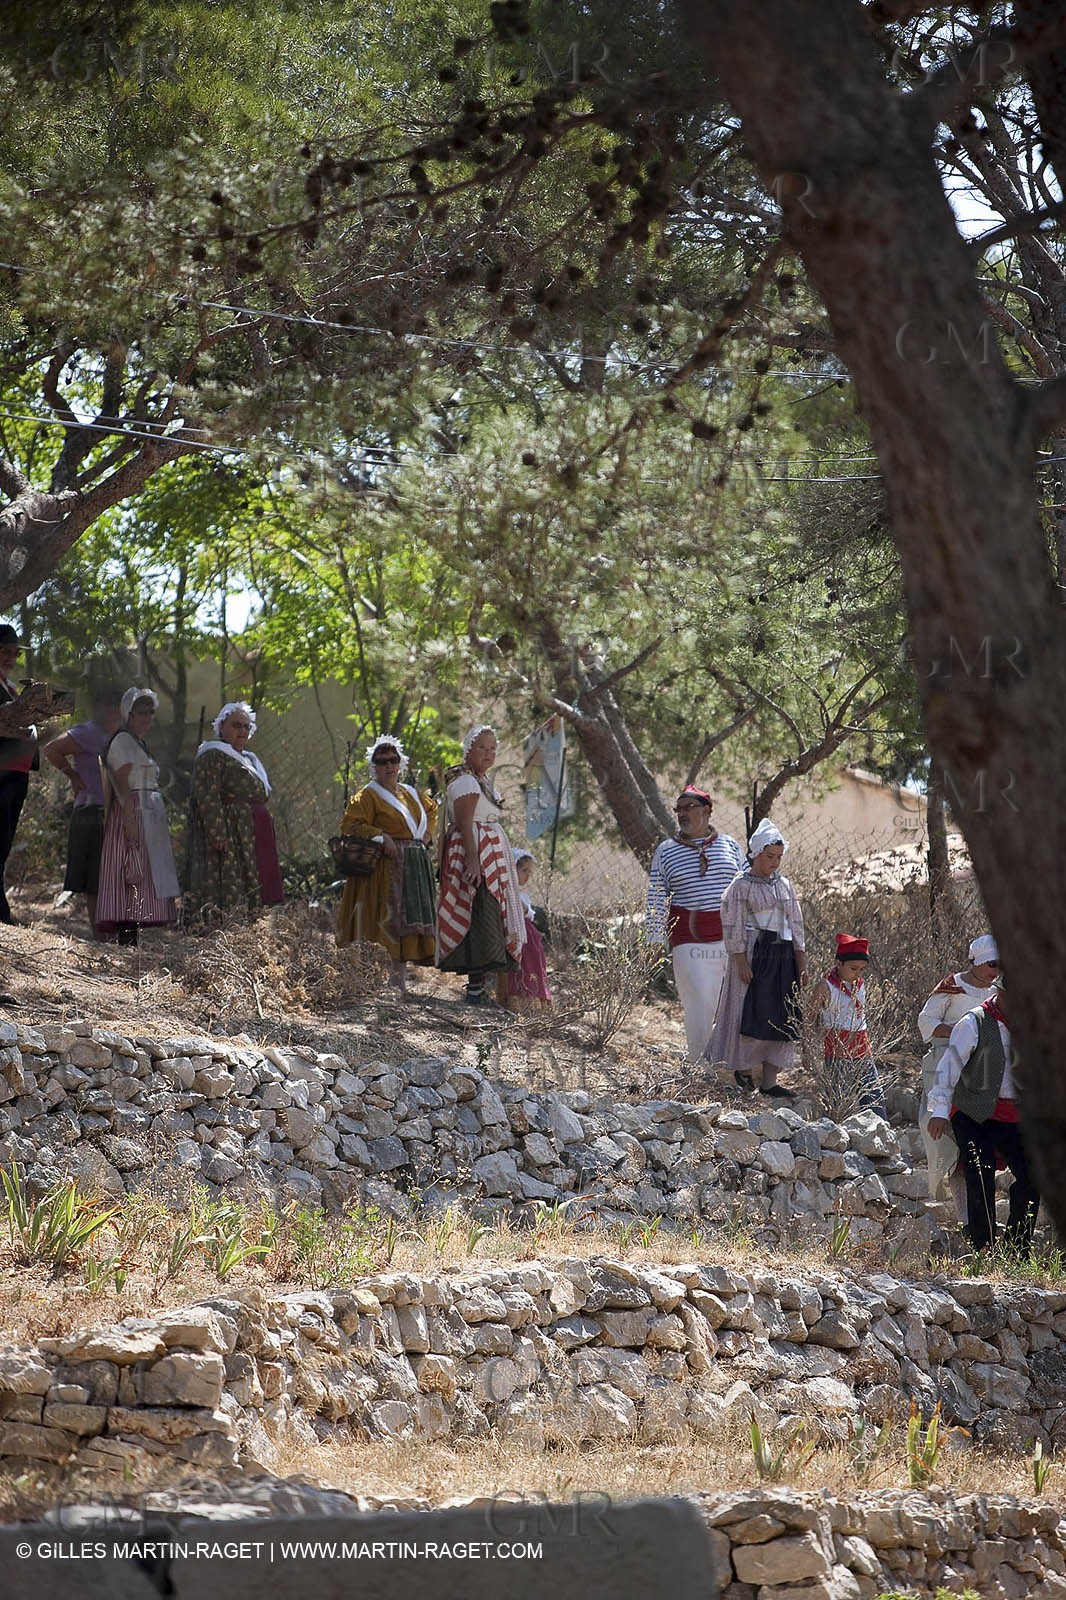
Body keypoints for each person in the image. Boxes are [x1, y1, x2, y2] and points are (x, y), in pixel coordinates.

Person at [927, 980, 1039, 1254]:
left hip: (1014, 1114)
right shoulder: (973, 1023)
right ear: (1000, 993)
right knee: (980, 1173)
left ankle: (1016, 1250)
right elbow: (948, 1070)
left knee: (1033, 1177)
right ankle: (983, 1248)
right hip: (974, 1112)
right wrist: (939, 1111)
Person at [705, 818, 806, 1097]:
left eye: (779, 857)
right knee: (747, 1009)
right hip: (752, 953)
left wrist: (800, 959)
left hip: (782, 956)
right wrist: (740, 960)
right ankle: (743, 1069)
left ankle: (770, 1081)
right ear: (756, 854)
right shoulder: (741, 886)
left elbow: (795, 921)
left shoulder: (784, 884)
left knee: (780, 1013)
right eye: (769, 856)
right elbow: (733, 924)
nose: (775, 862)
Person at [646, 785, 744, 1060]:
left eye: (689, 807)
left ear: (707, 811)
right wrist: (654, 938)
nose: (682, 814)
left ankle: (734, 1064)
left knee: (735, 1002)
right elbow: (656, 896)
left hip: (731, 937)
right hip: (689, 938)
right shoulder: (666, 851)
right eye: (678, 809)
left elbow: (746, 886)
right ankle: (701, 1066)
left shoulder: (730, 845)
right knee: (700, 1002)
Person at [335, 735, 438, 993]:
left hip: (412, 866)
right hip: (384, 868)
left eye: (393, 760)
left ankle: (398, 981)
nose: (389, 765)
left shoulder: (410, 793)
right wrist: (381, 836)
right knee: (386, 920)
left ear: (400, 763)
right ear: (374, 766)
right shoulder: (367, 796)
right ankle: (378, 981)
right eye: (382, 761)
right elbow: (351, 825)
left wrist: (427, 834)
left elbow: (432, 810)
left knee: (404, 923)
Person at [437, 724, 524, 1004]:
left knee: (487, 913)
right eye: (482, 748)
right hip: (476, 854)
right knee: (478, 911)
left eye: (492, 749)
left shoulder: (482, 780)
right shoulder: (466, 782)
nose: (488, 754)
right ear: (468, 750)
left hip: (490, 857)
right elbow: (465, 824)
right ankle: (475, 990)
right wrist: (473, 861)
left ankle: (480, 987)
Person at [916, 934, 1000, 1222]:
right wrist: (961, 1034)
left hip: (986, 1073)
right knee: (952, 1145)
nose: (995, 971)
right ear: (976, 962)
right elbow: (926, 1021)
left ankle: (982, 1217)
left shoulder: (999, 991)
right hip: (947, 1066)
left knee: (983, 1145)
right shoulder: (952, 986)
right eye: (991, 964)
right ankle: (967, 1219)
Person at [184, 701, 283, 923]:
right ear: (221, 727)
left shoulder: (249, 758)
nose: (243, 731)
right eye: (236, 725)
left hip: (252, 829)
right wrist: (217, 833)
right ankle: (224, 925)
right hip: (231, 828)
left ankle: (254, 923)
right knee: (231, 876)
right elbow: (207, 794)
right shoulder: (212, 754)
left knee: (254, 875)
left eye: (247, 727)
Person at [95, 688, 179, 945]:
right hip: (132, 810)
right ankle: (126, 938)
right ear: (128, 714)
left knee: (142, 872)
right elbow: (122, 783)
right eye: (142, 712)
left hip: (147, 811)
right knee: (130, 868)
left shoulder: (138, 743)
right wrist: (129, 821)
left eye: (151, 712)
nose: (148, 717)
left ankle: (132, 938)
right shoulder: (123, 741)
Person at [44, 685, 123, 937]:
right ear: (99, 708)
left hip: (117, 813)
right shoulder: (87, 732)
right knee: (95, 878)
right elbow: (51, 749)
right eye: (107, 706)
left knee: (115, 875)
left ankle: (114, 929)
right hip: (91, 811)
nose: (112, 712)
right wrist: (72, 775)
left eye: (116, 707)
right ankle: (100, 933)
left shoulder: (121, 736)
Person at [809, 933, 887, 1116]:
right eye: (853, 968)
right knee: (837, 1100)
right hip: (837, 1050)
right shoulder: (825, 987)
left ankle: (880, 1129)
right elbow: (809, 1017)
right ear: (838, 963)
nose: (858, 974)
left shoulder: (860, 984)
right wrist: (807, 1048)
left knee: (874, 1097)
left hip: (862, 1048)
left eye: (862, 969)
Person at [0, 622, 38, 924]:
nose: (11, 657)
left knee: (4, 843)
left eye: (15, 652)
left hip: (17, 773)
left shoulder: (11, 688)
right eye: (5, 651)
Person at [505, 849, 553, 1012]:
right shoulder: (507, 892)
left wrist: (525, 909)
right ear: (512, 869)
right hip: (516, 935)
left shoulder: (522, 895)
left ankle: (533, 996)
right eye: (524, 870)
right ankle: (517, 996)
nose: (527, 875)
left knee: (535, 958)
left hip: (528, 936)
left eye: (529, 872)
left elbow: (530, 914)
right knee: (523, 959)